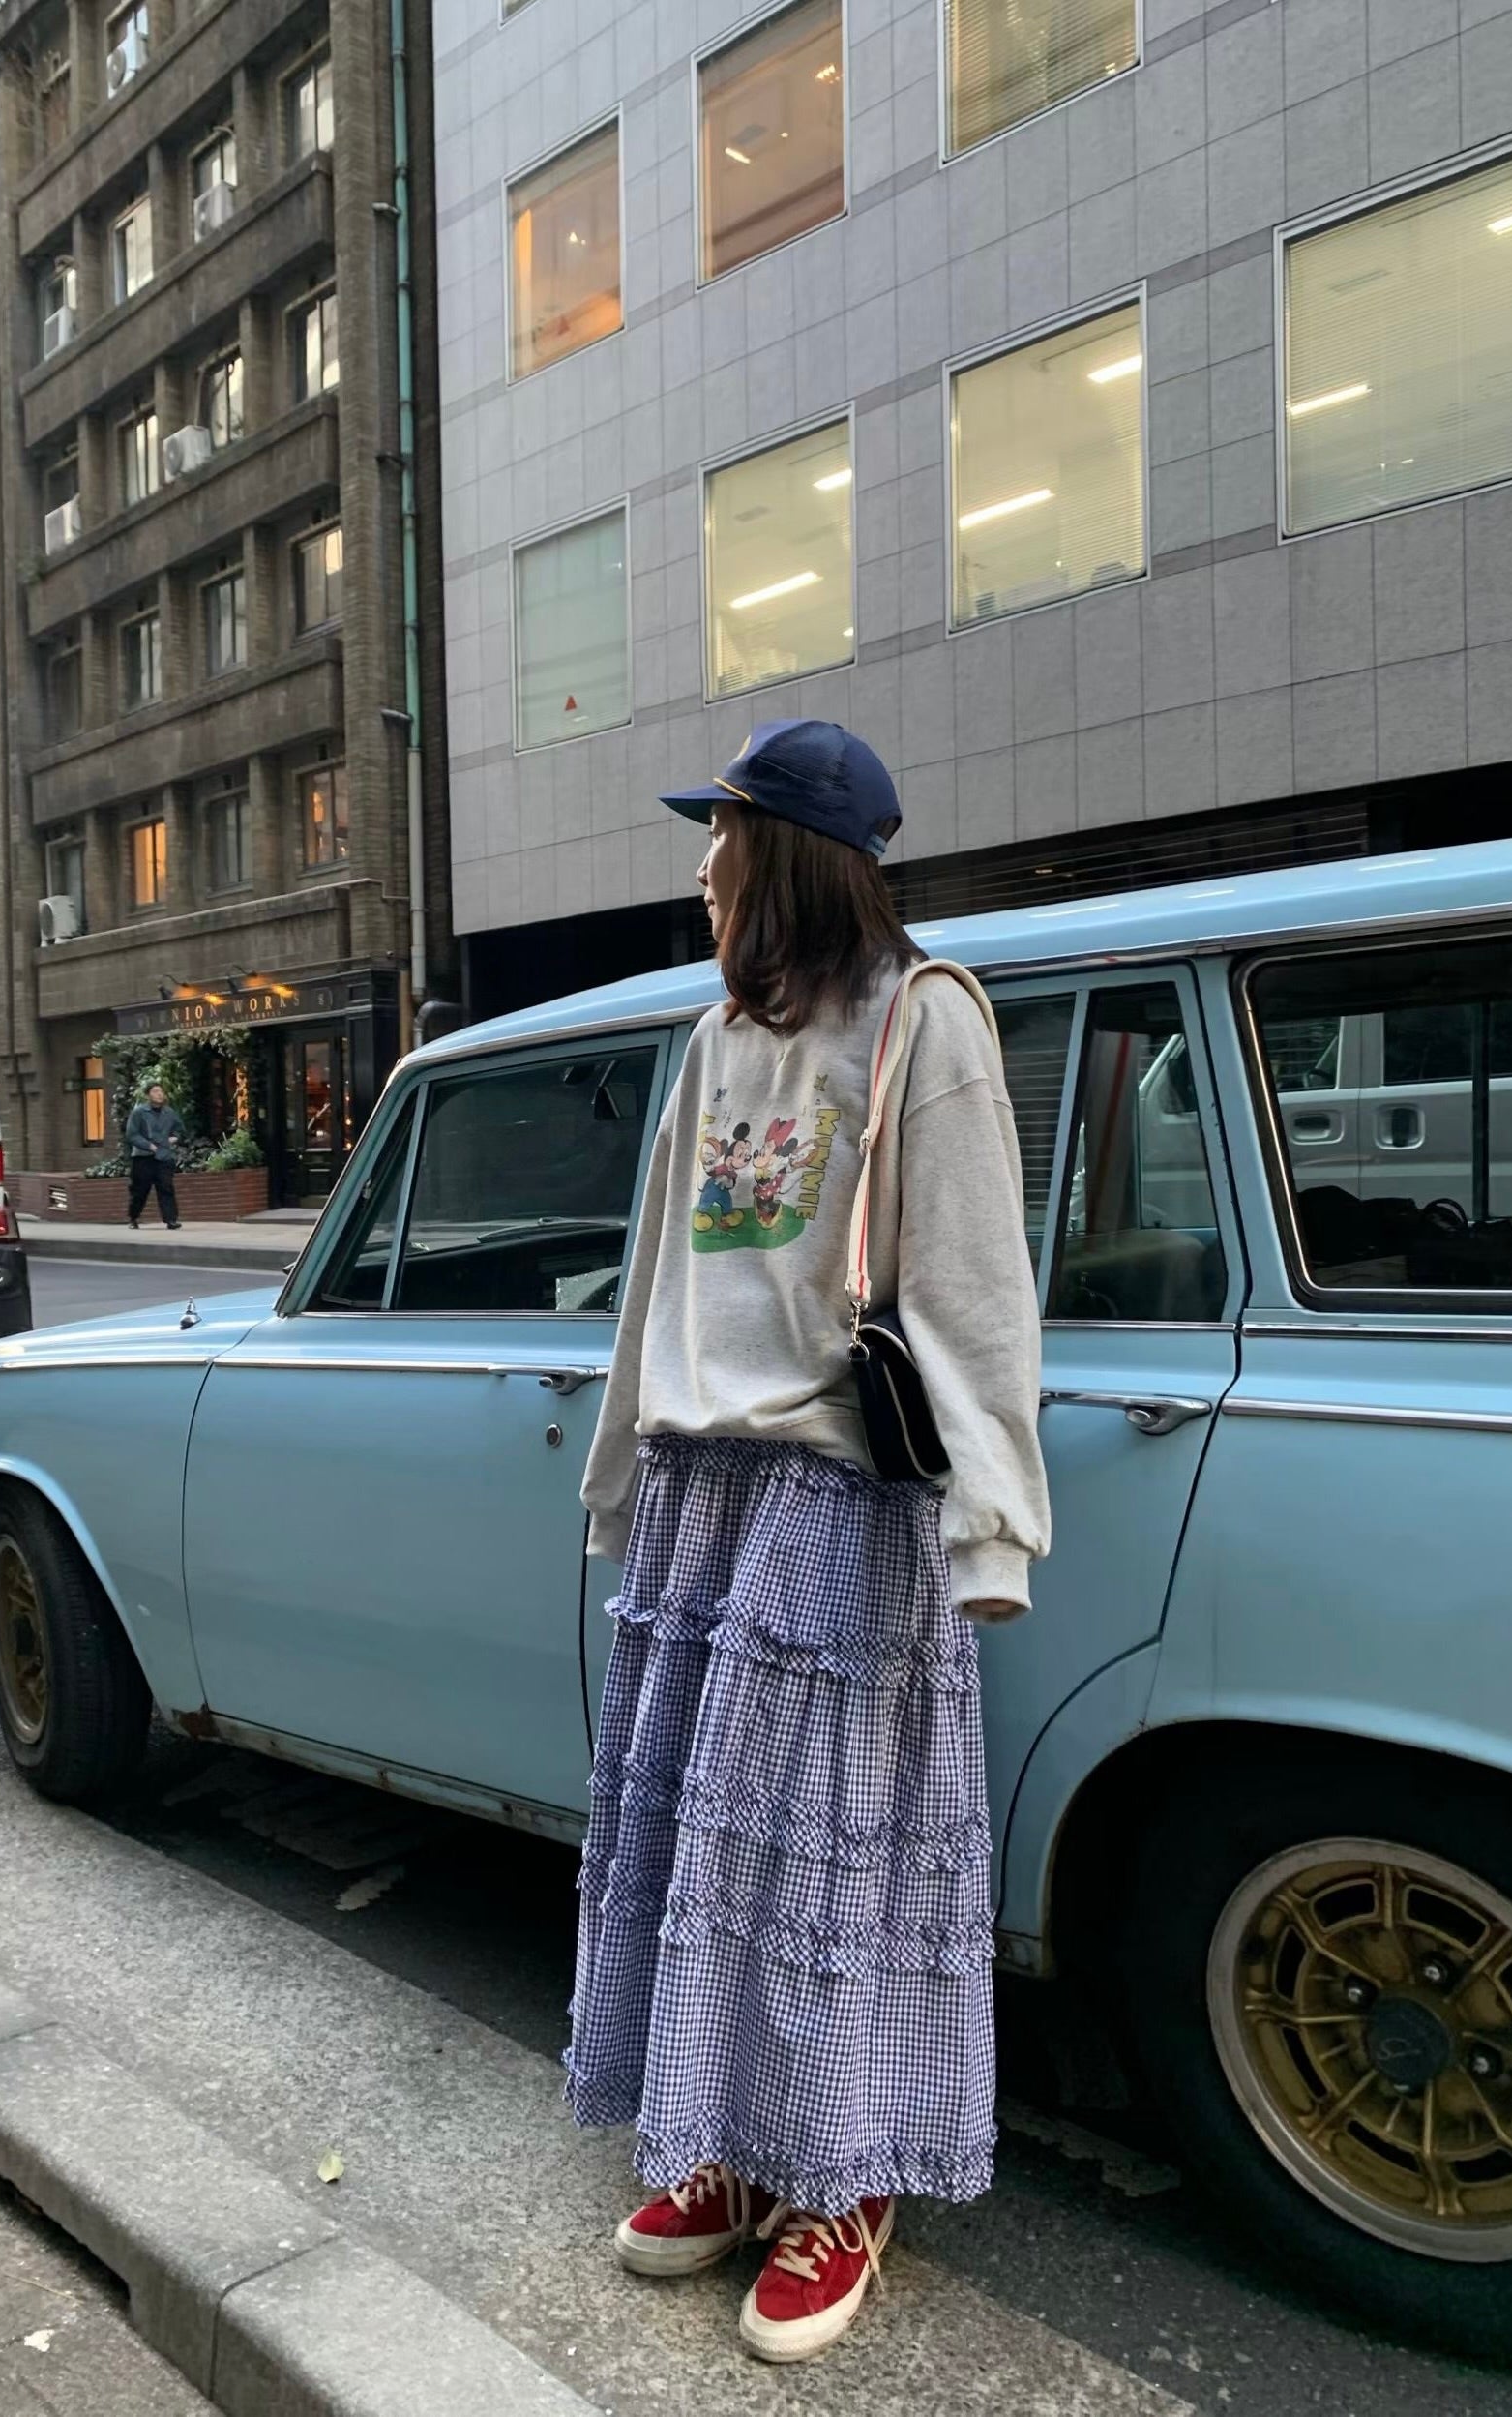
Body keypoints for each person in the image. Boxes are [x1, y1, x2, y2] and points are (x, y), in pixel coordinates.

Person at [566, 719, 1050, 2364]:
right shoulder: (713, 1038)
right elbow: (657, 1281)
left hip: (840, 1495)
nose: (704, 867)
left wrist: (993, 1529)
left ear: (782, 854)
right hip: (703, 1498)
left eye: (722, 835)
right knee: (706, 1851)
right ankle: (720, 2137)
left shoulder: (924, 1016)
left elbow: (976, 1285)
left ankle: (842, 2178)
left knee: (833, 1857)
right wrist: (621, 1475)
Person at [125, 1081, 184, 1231]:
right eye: (155, 1091)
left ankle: (171, 1219)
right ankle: (133, 1217)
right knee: (140, 1190)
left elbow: (179, 1129)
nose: (159, 1094)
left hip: (163, 1156)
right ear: (148, 1095)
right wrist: (147, 1145)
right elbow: (132, 1134)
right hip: (143, 1157)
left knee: (166, 1187)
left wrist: (175, 1137)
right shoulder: (139, 1112)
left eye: (161, 1091)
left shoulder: (169, 1112)